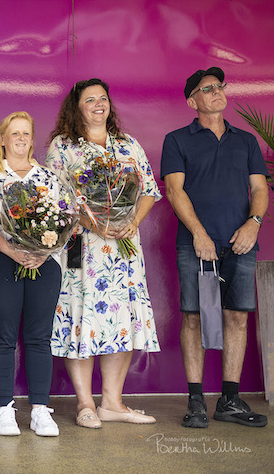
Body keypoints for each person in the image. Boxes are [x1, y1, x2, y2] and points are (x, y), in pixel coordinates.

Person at [45, 78, 160, 429]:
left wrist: (132, 221)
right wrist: (90, 221)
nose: (99, 104)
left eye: (103, 98)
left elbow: (149, 189)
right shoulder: (62, 147)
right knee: (82, 318)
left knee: (122, 318)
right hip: (82, 247)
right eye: (90, 99)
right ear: (76, 107)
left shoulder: (127, 144)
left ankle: (112, 402)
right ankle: (85, 404)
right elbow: (54, 197)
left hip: (123, 247)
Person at [161, 67, 269, 429]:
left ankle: (229, 401)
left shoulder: (246, 140)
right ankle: (196, 402)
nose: (217, 91)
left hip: (240, 243)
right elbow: (175, 190)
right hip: (195, 245)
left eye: (219, 86)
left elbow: (259, 189)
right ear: (193, 102)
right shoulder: (177, 140)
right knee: (193, 316)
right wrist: (199, 233)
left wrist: (253, 224)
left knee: (236, 316)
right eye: (207, 89)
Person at [0, 112, 62, 437]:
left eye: (26, 133)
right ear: (2, 139)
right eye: (15, 133)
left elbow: (62, 221)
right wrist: (11, 250)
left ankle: (40, 410)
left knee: (39, 336)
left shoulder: (49, 178)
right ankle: (4, 410)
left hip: (44, 263)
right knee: (4, 335)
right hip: (1, 259)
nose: (21, 139)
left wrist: (43, 252)